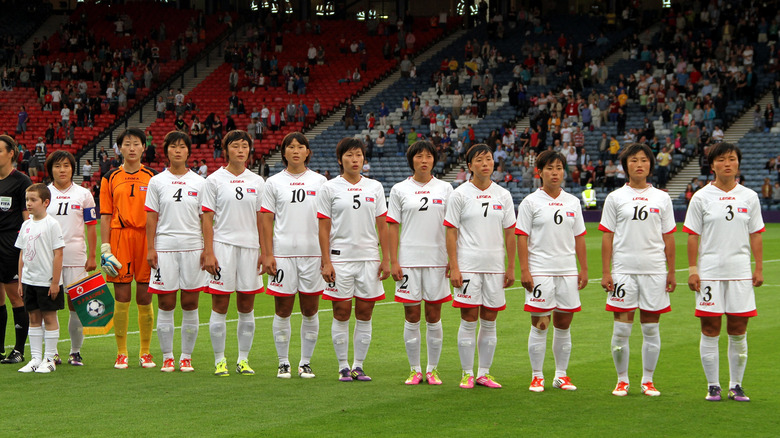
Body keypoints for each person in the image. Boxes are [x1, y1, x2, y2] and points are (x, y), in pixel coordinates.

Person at [684, 143, 764, 402]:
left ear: (738, 164)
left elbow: (756, 235)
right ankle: (713, 385)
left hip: (740, 272)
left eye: (731, 159)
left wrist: (759, 267)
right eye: (721, 160)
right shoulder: (701, 197)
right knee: (710, 328)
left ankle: (736, 385)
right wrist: (693, 270)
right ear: (712, 165)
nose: (727, 163)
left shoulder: (749, 196)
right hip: (709, 273)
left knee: (739, 329)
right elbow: (692, 236)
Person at [599, 143, 676, 397]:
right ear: (626, 166)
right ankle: (622, 380)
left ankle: (648, 380)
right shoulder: (615, 198)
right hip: (623, 270)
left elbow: (669, 237)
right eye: (634, 160)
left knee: (651, 328)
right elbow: (607, 236)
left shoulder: (662, 198)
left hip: (655, 271)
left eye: (644, 160)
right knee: (621, 329)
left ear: (651, 165)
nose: (639, 164)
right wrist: (607, 272)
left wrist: (672, 271)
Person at [317, 137, 390, 382]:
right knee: (341, 311)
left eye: (358, 155)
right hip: (340, 259)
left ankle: (359, 365)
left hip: (369, 258)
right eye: (349, 155)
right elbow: (324, 227)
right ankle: (342, 366)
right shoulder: (329, 188)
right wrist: (326, 261)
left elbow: (383, 225)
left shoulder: (375, 187)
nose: (355, 159)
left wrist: (387, 258)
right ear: (340, 160)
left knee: (365, 312)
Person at [445, 143, 516, 389]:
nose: (485, 163)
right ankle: (466, 373)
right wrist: (454, 266)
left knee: (490, 319)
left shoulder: (503, 195)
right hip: (468, 266)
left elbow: (510, 233)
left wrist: (511, 267)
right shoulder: (460, 194)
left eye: (488, 159)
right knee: (468, 318)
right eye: (479, 160)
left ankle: (484, 372)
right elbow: (451, 232)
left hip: (495, 266)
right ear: (470, 166)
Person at [516, 150, 588, 393]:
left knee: (564, 324)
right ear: (540, 172)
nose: (554, 172)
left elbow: (579, 237)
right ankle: (537, 376)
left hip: (567, 271)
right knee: (540, 324)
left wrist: (584, 268)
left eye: (558, 168)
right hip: (540, 271)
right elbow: (522, 237)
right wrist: (525, 270)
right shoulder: (530, 202)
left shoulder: (573, 202)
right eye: (549, 168)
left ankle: (561, 375)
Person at [261, 132, 327, 379]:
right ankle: (283, 362)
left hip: (312, 255)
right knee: (283, 309)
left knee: (310, 309)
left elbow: (326, 222)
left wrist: (326, 256)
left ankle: (306, 362)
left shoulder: (321, 182)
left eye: (301, 146)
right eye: (291, 147)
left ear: (308, 152)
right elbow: (266, 221)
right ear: (284, 153)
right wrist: (268, 254)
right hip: (283, 255)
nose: (296, 150)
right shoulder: (273, 183)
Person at [387, 141, 453, 385]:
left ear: (434, 160)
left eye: (428, 156)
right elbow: (392, 226)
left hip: (437, 260)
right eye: (419, 156)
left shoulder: (446, 189)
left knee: (434, 316)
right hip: (409, 261)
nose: (424, 160)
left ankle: (432, 370)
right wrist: (394, 261)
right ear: (411, 160)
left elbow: (452, 228)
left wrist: (452, 260)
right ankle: (415, 369)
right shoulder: (399, 189)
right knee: (412, 315)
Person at [202, 130, 265, 376]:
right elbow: (207, 218)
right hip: (223, 247)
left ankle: (243, 360)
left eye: (245, 146)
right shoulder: (214, 180)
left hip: (250, 249)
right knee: (220, 304)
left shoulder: (258, 181)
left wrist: (265, 251)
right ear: (226, 149)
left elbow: (263, 220)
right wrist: (209, 252)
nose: (241, 150)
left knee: (247, 306)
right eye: (235, 146)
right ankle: (220, 360)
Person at [145, 131, 207, 373]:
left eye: (182, 146)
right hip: (165, 248)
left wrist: (207, 249)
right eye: (173, 147)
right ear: (167, 151)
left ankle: (186, 356)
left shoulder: (201, 183)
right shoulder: (157, 181)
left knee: (191, 303)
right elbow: (151, 217)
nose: (178, 150)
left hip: (193, 247)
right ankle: (168, 357)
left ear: (189, 152)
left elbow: (206, 219)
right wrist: (151, 248)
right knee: (166, 303)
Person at [100, 128, 158, 369]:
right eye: (127, 144)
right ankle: (121, 352)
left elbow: (157, 214)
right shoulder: (110, 177)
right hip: (120, 238)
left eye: (136, 143)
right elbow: (105, 214)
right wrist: (105, 248)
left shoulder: (154, 177)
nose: (132, 148)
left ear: (144, 147)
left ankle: (145, 352)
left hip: (146, 238)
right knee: (122, 297)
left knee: (144, 296)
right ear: (120, 148)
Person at [46, 151, 97, 366]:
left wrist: (93, 255)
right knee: (50, 304)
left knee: (76, 304)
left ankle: (75, 352)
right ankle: (53, 352)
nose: (62, 170)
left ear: (72, 169)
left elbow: (91, 226)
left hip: (76, 256)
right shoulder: (43, 192)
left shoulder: (84, 194)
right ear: (51, 169)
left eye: (66, 166)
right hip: (48, 257)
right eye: (57, 166)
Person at [14, 184, 65, 373]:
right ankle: (36, 358)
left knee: (50, 317)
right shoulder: (26, 224)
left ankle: (50, 359)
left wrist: (54, 282)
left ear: (45, 202)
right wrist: (20, 281)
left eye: (33, 200)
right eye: (27, 199)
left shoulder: (52, 224)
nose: (29, 203)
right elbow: (22, 254)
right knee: (33, 317)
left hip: (46, 281)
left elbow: (58, 254)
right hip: (29, 281)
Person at [0, 135, 32, 364]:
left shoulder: (21, 181)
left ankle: (19, 350)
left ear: (11, 153)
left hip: (11, 243)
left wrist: (27, 248)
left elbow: (28, 219)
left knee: (14, 296)